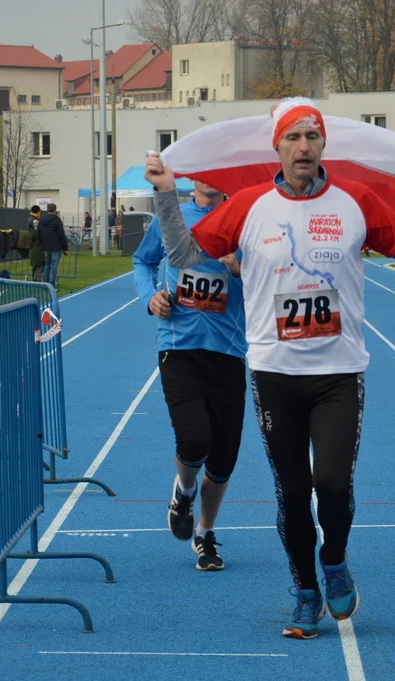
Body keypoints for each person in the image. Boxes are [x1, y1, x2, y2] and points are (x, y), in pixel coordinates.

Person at [145, 96, 395, 639]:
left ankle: (334, 559)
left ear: (323, 146)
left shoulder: (355, 200)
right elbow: (180, 256)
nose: (303, 146)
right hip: (275, 373)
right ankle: (304, 590)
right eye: (292, 137)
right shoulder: (247, 205)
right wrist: (165, 195)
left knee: (333, 484)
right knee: (293, 493)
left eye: (311, 137)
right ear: (277, 146)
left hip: (339, 371)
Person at [132, 180, 246, 571]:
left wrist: (238, 267)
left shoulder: (244, 220)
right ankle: (183, 491)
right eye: (201, 170)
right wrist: (150, 297)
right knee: (195, 436)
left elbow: (270, 279)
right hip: (178, 346)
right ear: (191, 177)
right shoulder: (172, 218)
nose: (209, 178)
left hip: (229, 350)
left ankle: (205, 535)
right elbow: (142, 261)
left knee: (224, 459)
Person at [38, 202, 68, 287]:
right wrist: (65, 247)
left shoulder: (41, 220)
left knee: (47, 264)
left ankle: (45, 282)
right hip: (56, 246)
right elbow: (61, 235)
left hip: (46, 246)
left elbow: (39, 234)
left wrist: (42, 244)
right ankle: (51, 283)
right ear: (55, 210)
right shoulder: (57, 221)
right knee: (53, 266)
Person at [27, 205, 45, 282]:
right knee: (39, 261)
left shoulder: (31, 218)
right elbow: (37, 232)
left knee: (36, 261)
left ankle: (35, 278)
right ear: (38, 211)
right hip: (37, 243)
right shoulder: (35, 220)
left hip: (34, 243)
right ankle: (37, 279)